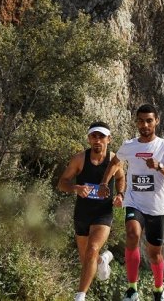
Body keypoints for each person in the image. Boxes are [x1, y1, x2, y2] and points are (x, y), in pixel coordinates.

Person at [98, 104, 164, 301]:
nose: (144, 125)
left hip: (156, 207)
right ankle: (132, 289)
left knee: (154, 254)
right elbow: (115, 162)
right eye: (141, 121)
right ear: (136, 122)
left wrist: (159, 166)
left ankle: (159, 289)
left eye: (149, 120)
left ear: (156, 121)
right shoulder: (129, 145)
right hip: (134, 202)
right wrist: (104, 182)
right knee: (132, 234)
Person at [57, 122, 125, 301]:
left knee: (92, 248)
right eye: (94, 136)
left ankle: (80, 296)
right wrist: (76, 188)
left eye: (101, 136)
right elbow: (62, 183)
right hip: (82, 215)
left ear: (108, 139)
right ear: (89, 139)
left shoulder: (114, 160)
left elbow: (120, 177)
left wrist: (120, 194)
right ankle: (103, 260)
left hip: (103, 213)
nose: (97, 140)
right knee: (87, 259)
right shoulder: (79, 159)